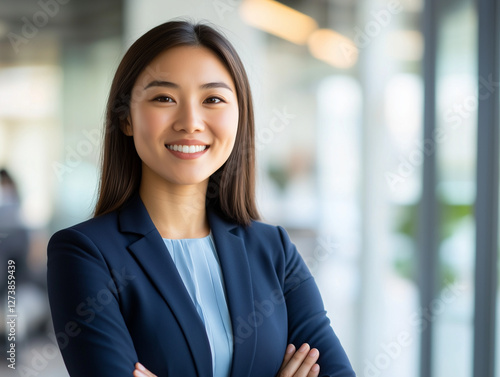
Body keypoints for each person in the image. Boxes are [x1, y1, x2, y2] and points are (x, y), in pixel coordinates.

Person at [47, 20, 355, 377]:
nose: (190, 122)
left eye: (213, 99)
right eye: (164, 98)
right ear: (126, 118)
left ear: (239, 117)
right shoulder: (85, 254)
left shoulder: (274, 250)